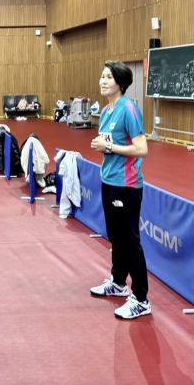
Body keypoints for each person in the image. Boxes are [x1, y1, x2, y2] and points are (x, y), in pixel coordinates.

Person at [90, 61, 151, 320]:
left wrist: (110, 147)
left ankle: (140, 298)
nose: (103, 81)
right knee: (116, 236)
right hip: (108, 180)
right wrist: (104, 146)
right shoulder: (105, 112)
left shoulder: (129, 109)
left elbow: (142, 149)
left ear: (120, 82)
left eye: (109, 77)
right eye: (102, 76)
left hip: (126, 185)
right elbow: (110, 145)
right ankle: (117, 282)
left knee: (129, 240)